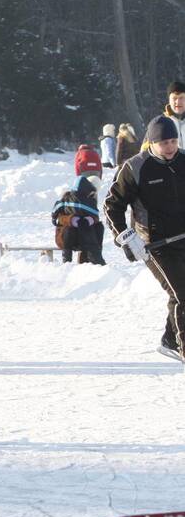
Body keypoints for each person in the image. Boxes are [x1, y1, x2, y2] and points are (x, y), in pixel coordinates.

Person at [105, 115, 185, 366]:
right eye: (164, 143)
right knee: (182, 294)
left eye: (173, 141)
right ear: (151, 142)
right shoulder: (134, 167)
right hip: (153, 246)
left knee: (180, 294)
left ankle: (170, 341)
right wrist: (126, 237)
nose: (170, 147)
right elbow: (111, 206)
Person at [51, 176, 105, 264]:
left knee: (98, 227)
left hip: (82, 237)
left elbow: (95, 217)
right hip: (66, 238)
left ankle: (92, 259)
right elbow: (56, 219)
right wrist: (71, 220)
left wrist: (89, 220)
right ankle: (67, 262)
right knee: (70, 229)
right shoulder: (66, 198)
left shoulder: (89, 201)